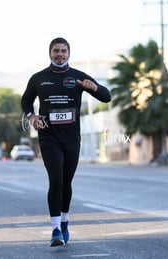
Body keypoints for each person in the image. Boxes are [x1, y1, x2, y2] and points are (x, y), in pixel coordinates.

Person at [21, 37, 111, 247]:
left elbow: (107, 97)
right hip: (48, 137)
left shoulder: (78, 77)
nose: (59, 54)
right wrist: (31, 117)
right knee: (56, 180)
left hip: (72, 139)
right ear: (50, 53)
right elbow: (26, 100)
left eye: (63, 51)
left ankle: (64, 222)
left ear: (69, 53)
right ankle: (54, 230)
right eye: (56, 51)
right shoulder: (38, 78)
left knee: (67, 183)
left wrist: (95, 89)